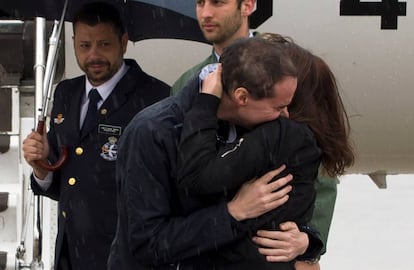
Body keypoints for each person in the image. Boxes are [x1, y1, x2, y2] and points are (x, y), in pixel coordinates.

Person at [108, 38, 323, 269]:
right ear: (242, 97)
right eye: (278, 107)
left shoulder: (257, 124)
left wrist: (305, 241)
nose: (285, 116)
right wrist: (233, 213)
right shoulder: (152, 133)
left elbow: (282, 205)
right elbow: (148, 244)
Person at [172, 0, 340, 267]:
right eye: (200, 2)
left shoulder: (286, 67)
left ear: (248, 5)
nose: (206, 13)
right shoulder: (189, 82)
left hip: (260, 250)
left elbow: (316, 176)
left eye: (218, 2)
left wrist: (308, 246)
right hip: (211, 246)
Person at [22, 2, 170, 270]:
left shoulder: (155, 97)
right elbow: (67, 184)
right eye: (84, 45)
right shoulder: (66, 93)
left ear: (123, 42)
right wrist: (41, 166)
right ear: (74, 42)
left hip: (125, 256)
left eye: (104, 44)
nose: (93, 55)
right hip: (70, 253)